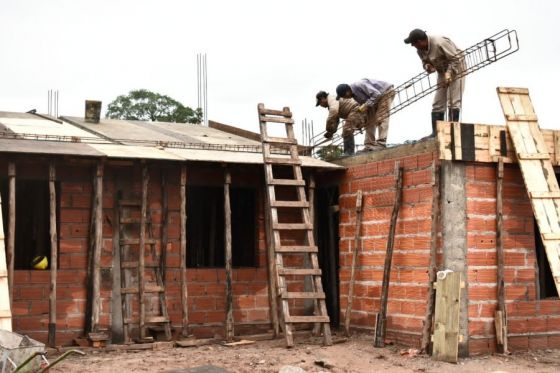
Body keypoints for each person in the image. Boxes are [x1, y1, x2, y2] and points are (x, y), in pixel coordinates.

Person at [404, 28, 466, 137]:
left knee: (453, 99)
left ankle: (452, 132)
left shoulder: (439, 42)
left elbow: (455, 59)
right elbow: (424, 62)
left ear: (420, 41)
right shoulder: (420, 50)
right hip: (441, 69)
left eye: (413, 43)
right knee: (437, 103)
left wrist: (449, 72)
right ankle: (436, 133)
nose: (412, 46)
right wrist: (427, 66)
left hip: (457, 67)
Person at [335, 79, 395, 151]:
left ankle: (381, 143)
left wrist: (366, 105)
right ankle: (369, 145)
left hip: (385, 92)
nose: (344, 98)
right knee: (368, 121)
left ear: (347, 92)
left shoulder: (359, 85)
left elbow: (376, 94)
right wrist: (361, 121)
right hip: (374, 100)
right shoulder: (354, 96)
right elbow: (366, 106)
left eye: (343, 96)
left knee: (381, 117)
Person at [316, 91, 366, 155]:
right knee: (346, 130)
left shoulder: (331, 99)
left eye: (320, 103)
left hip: (356, 109)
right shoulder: (332, 104)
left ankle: (349, 153)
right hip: (355, 111)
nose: (321, 106)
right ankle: (348, 152)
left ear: (322, 98)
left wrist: (328, 129)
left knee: (347, 129)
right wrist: (331, 132)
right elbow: (336, 120)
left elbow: (333, 112)